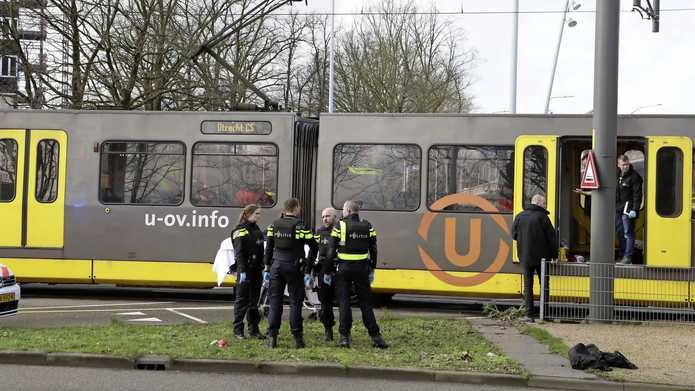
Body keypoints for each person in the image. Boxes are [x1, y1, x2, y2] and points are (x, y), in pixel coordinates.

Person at [328, 200, 389, 349]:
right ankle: (376, 337)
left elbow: (331, 250)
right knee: (366, 304)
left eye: (343, 209)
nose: (342, 212)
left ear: (348, 210)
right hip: (362, 269)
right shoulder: (368, 226)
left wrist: (329, 269)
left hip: (343, 269)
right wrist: (372, 269)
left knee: (344, 303)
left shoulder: (340, 226)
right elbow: (373, 249)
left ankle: (344, 338)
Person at [264, 198, 317, 349]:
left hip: (276, 266)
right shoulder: (300, 226)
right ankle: (298, 339)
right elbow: (314, 247)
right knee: (295, 303)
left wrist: (267, 268)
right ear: (295, 208)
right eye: (299, 207)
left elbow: (269, 248)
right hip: (295, 267)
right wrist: (308, 268)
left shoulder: (274, 224)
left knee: (275, 302)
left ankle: (272, 338)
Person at [512, 194, 557, 323]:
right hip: (542, 259)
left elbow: (514, 235)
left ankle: (529, 315)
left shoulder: (520, 216)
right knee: (544, 286)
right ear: (538, 203)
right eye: (544, 203)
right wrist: (554, 256)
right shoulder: (543, 218)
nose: (546, 205)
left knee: (528, 286)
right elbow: (551, 239)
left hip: (525, 257)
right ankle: (545, 314)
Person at [231, 204, 266, 340]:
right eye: (257, 213)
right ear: (248, 214)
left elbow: (259, 249)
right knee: (241, 301)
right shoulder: (240, 230)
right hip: (245, 269)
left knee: (254, 302)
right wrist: (242, 270)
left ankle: (254, 329)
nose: (259, 216)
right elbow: (239, 252)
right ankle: (238, 330)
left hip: (256, 270)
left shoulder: (255, 229)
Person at [312, 207, 338, 342]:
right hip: (322, 270)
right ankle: (328, 329)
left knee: (342, 301)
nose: (325, 219)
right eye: (323, 217)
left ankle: (345, 331)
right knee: (325, 302)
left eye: (328, 216)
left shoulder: (340, 230)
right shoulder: (319, 232)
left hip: (337, 269)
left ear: (335, 217)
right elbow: (315, 250)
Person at [615, 154, 642, 264]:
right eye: (623, 165)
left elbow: (637, 195)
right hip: (618, 209)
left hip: (628, 210)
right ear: (618, 165)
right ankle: (622, 253)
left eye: (627, 164)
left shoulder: (634, 177)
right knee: (620, 232)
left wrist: (635, 209)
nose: (625, 167)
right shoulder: (617, 175)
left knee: (628, 233)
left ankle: (628, 257)